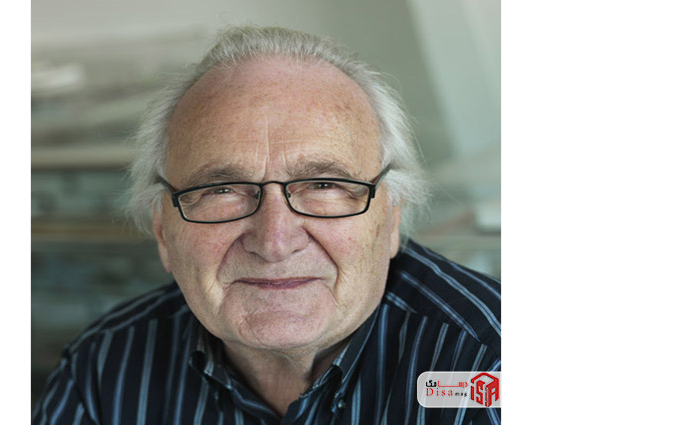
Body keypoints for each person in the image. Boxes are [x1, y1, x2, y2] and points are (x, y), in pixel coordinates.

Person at [33, 26, 500, 425]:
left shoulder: (491, 367)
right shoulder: (102, 370)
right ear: (162, 230)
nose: (275, 241)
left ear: (392, 216)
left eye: (323, 185)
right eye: (222, 190)